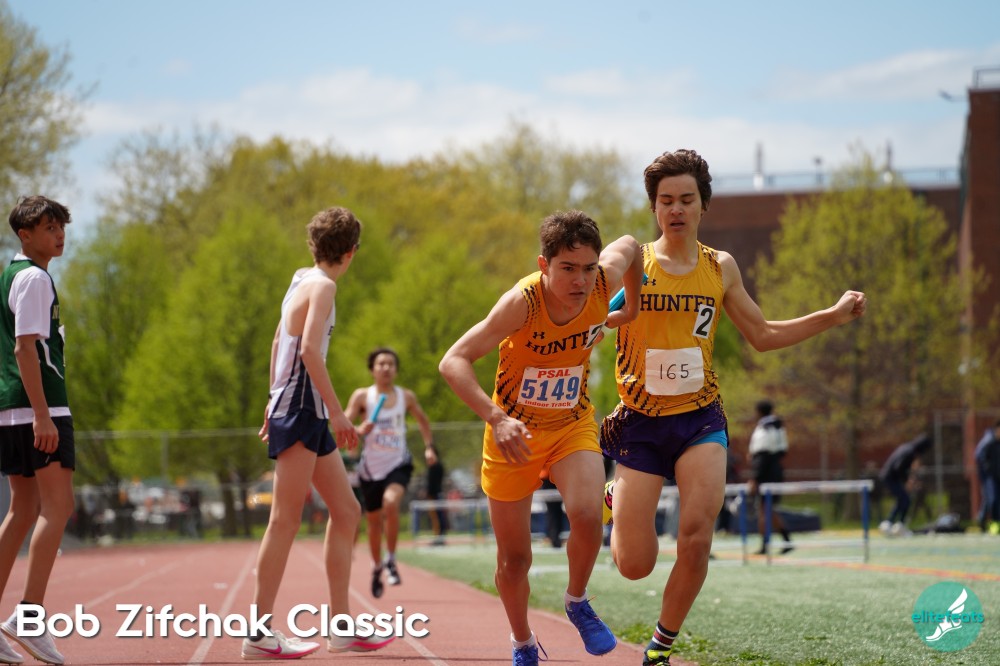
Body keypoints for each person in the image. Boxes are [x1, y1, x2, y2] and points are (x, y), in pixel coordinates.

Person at [599, 149, 867, 666]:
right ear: (654, 207)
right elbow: (597, 298)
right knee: (634, 565)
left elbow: (762, 335)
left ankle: (659, 648)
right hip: (640, 423)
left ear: (704, 205)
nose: (676, 209)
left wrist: (832, 317)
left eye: (686, 199)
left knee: (697, 537)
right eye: (666, 200)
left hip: (699, 419)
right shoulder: (636, 261)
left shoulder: (719, 268)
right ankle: (617, 494)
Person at [439, 210, 644, 666]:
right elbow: (453, 360)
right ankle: (522, 641)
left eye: (588, 268)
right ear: (544, 264)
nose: (580, 281)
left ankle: (577, 601)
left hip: (571, 424)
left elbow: (631, 245)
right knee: (515, 561)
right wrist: (496, 418)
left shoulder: (602, 284)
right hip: (514, 435)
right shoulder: (521, 303)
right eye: (567, 269)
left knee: (587, 515)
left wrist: (630, 306)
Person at [245, 206, 392, 660]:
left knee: (346, 512)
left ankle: (341, 627)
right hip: (303, 409)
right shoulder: (324, 286)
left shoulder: (300, 279)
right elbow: (309, 350)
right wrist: (338, 413)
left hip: (298, 407)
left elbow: (279, 341)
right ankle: (258, 632)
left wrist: (272, 397)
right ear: (351, 252)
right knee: (284, 520)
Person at [0, 196, 77, 665]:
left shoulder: (11, 276)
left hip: (12, 409)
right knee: (58, 506)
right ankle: (28, 616)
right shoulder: (33, 278)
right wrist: (43, 414)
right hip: (39, 410)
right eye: (49, 228)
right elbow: (24, 349)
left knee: (23, 510)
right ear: (24, 235)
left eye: (61, 226)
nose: (59, 235)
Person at [345, 347, 434, 598]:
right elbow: (344, 426)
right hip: (371, 469)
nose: (386, 368)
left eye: (390, 364)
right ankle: (376, 567)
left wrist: (429, 447)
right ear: (372, 369)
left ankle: (391, 558)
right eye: (381, 364)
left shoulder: (406, 397)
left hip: (398, 463)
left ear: (396, 370)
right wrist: (359, 429)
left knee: (391, 503)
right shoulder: (363, 396)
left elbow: (423, 420)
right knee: (373, 522)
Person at [746, 400, 793, 555]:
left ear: (759, 412)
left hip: (765, 473)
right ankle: (785, 540)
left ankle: (767, 544)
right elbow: (782, 451)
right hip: (776, 470)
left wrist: (755, 477)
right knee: (768, 509)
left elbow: (762, 454)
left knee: (764, 510)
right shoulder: (779, 427)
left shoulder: (765, 428)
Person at [877, 433, 932, 537]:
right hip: (890, 477)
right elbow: (899, 467)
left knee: (902, 499)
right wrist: (907, 481)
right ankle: (898, 525)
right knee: (905, 499)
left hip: (889, 476)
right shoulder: (910, 452)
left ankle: (890, 522)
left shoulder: (906, 447)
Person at [974, 420, 1000, 534]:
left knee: (989, 500)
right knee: (992, 499)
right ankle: (993, 523)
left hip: (998, 476)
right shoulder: (988, 441)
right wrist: (988, 469)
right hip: (990, 477)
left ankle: (981, 522)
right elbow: (979, 456)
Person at [425, 445, 448, 545]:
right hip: (432, 496)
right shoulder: (431, 467)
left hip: (436, 495)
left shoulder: (438, 466)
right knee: (434, 518)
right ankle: (437, 537)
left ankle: (440, 538)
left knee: (439, 517)